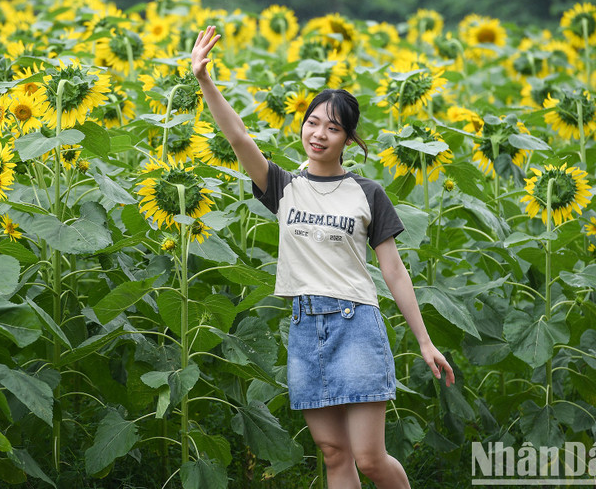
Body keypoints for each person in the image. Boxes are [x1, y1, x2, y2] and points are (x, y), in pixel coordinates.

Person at [191, 25, 455, 489]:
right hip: (305, 324)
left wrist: (425, 340)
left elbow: (393, 270)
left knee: (370, 457)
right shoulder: (283, 186)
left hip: (356, 323)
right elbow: (238, 139)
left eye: (333, 127)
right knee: (335, 455)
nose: (319, 133)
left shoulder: (366, 193)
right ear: (304, 124)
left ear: (348, 140)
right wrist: (205, 80)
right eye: (314, 122)